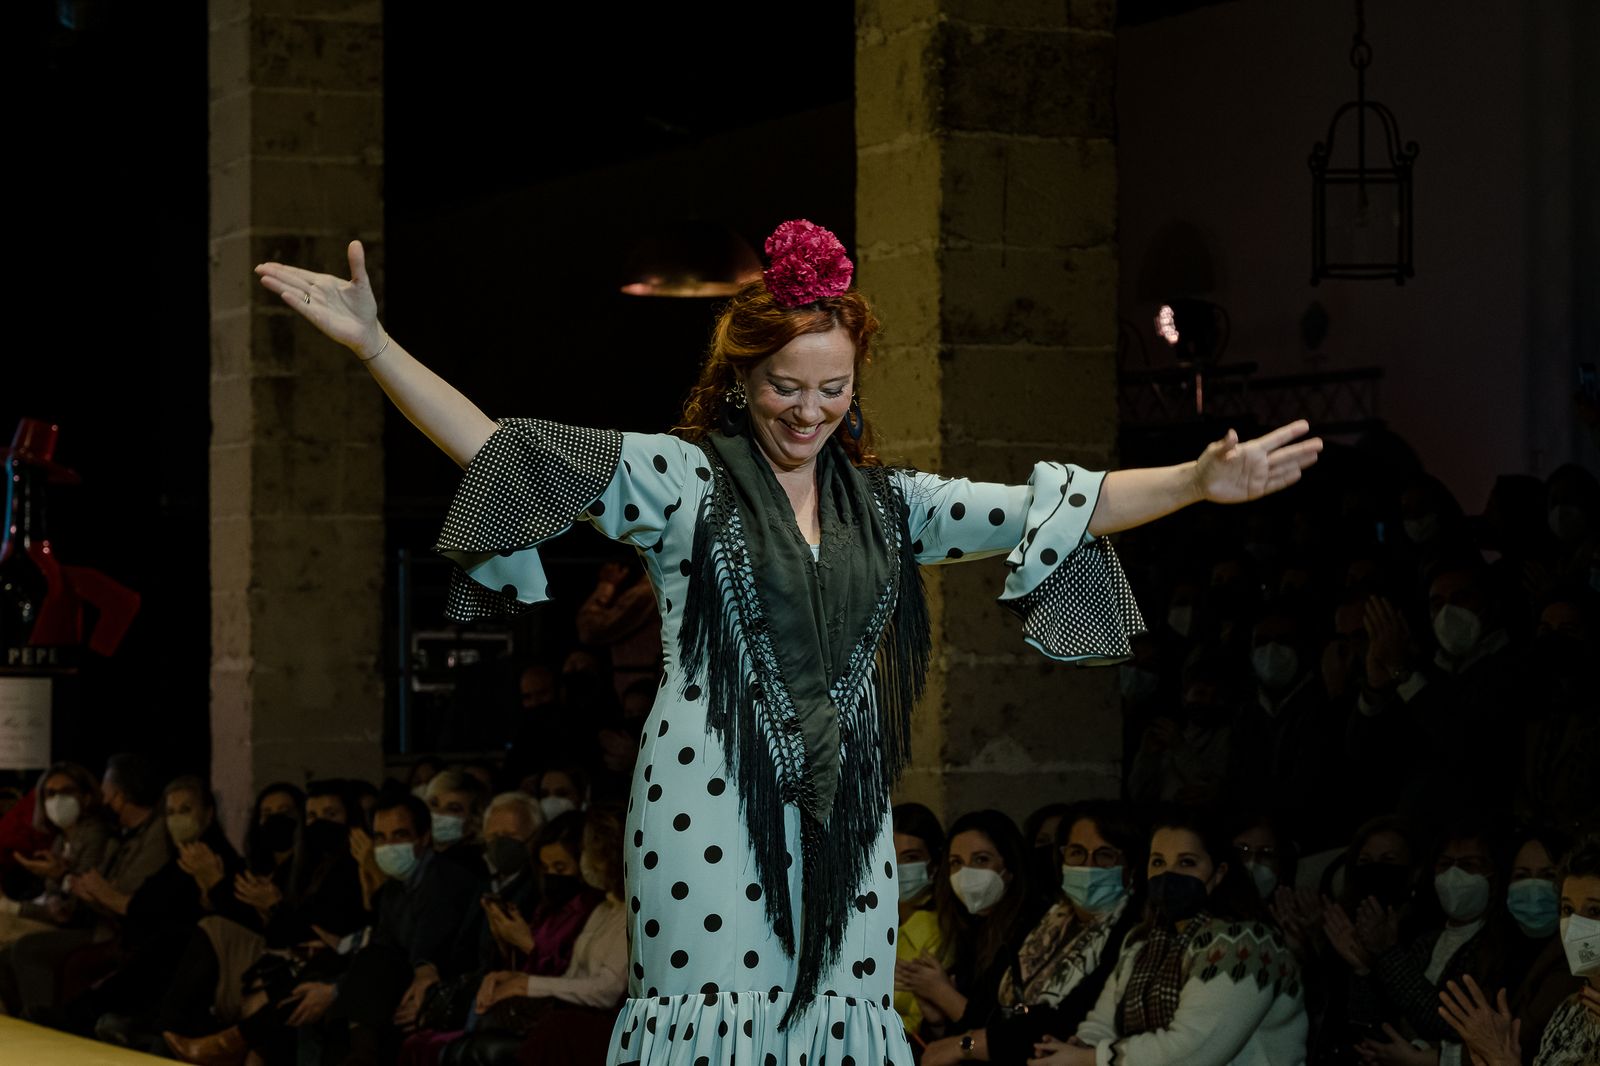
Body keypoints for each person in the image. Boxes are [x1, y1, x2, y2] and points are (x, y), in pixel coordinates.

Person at [255, 218, 1322, 1065]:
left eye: (832, 389)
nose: (810, 411)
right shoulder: (681, 480)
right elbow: (501, 450)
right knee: (715, 1022)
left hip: (842, 809)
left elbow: (1052, 505)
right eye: (785, 387)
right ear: (739, 378)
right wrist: (377, 347)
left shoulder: (892, 505)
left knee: (834, 1020)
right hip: (704, 794)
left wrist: (1194, 481)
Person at [1029, 807, 1306, 1065]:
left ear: (1219, 873)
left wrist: (1092, 1058)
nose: (1169, 874)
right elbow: (1102, 1022)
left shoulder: (1246, 942)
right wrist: (1078, 1047)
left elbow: (1195, 1051)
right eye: (1158, 862)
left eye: (1187, 862)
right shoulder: (1142, 942)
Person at [1438, 833, 1600, 1066]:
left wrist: (1500, 1059)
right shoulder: (1571, 1007)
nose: (1576, 925)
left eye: (1595, 911)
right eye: (1567, 910)